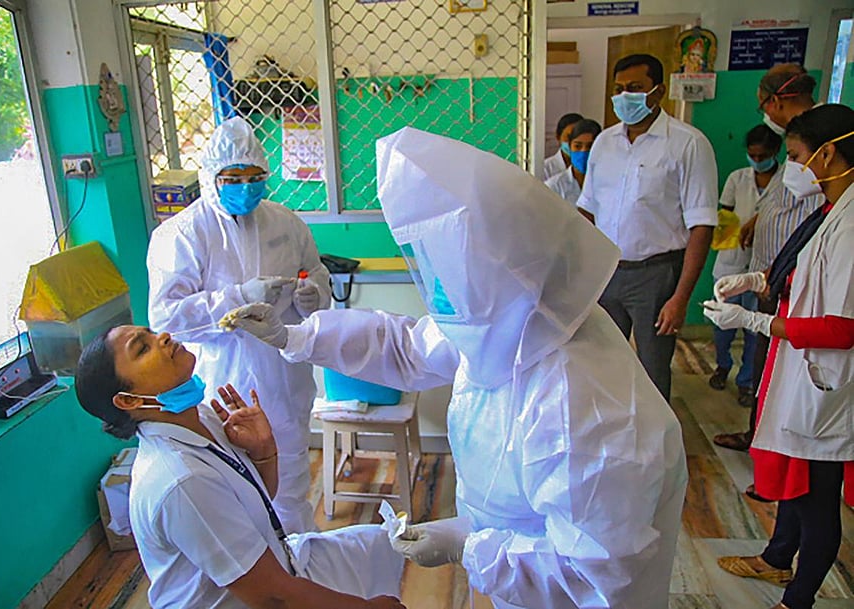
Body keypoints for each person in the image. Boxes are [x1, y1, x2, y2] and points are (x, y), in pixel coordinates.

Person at [226, 127, 688, 609]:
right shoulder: (512, 320)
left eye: (446, 272)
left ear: (505, 268)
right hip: (515, 578)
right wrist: (295, 336)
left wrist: (470, 545)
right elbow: (407, 346)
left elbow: (594, 574)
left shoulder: (584, 405)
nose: (437, 289)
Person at [74, 326, 405, 609]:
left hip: (275, 569)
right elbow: (273, 596)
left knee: (382, 546)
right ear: (129, 401)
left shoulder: (200, 417)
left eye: (150, 331)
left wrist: (263, 452)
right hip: (253, 598)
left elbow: (254, 504)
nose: (162, 336)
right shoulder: (181, 480)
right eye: (142, 348)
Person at [146, 117, 331, 533]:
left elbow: (316, 273)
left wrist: (313, 295)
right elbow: (166, 318)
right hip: (222, 380)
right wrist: (239, 297)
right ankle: (254, 579)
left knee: (291, 486)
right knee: (233, 492)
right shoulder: (183, 234)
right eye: (233, 177)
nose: (246, 186)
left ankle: (302, 573)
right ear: (212, 177)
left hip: (284, 376)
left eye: (254, 176)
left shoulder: (285, 222)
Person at [704, 104, 854, 609]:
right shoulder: (829, 210)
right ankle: (777, 559)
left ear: (828, 153)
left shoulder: (852, 221)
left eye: (794, 155)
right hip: (799, 367)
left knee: (817, 499)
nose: (791, 168)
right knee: (796, 479)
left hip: (825, 380)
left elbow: (841, 327)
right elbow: (807, 275)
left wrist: (755, 321)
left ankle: (800, 599)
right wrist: (756, 281)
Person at [577, 53, 718, 401]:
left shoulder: (687, 144)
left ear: (659, 91)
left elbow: (701, 225)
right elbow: (588, 211)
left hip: (657, 276)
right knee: (601, 364)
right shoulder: (604, 143)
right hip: (607, 270)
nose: (626, 97)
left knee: (653, 371)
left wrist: (680, 297)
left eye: (635, 88)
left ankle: (656, 449)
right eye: (620, 89)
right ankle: (612, 442)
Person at [713, 64, 824, 454]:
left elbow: (814, 210)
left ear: (775, 101)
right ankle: (762, 439)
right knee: (766, 365)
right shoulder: (799, 141)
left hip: (794, 278)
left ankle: (772, 448)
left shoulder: (815, 139)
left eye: (765, 105)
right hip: (770, 272)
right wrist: (760, 220)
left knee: (777, 371)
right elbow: (787, 199)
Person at [708, 124, 784, 407]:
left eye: (762, 154)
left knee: (755, 329)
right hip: (731, 261)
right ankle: (722, 365)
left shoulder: (784, 182)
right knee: (722, 324)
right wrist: (729, 230)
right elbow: (724, 214)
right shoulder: (737, 179)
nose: (756, 159)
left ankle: (747, 381)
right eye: (752, 154)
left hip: (765, 264)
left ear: (775, 152)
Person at [544, 118, 602, 206]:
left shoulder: (609, 183)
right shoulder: (554, 186)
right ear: (570, 147)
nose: (583, 152)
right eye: (577, 146)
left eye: (590, 146)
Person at [543, 112, 583, 180]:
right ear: (558, 137)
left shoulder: (589, 166)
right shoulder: (546, 168)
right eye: (569, 137)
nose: (573, 142)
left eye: (577, 136)